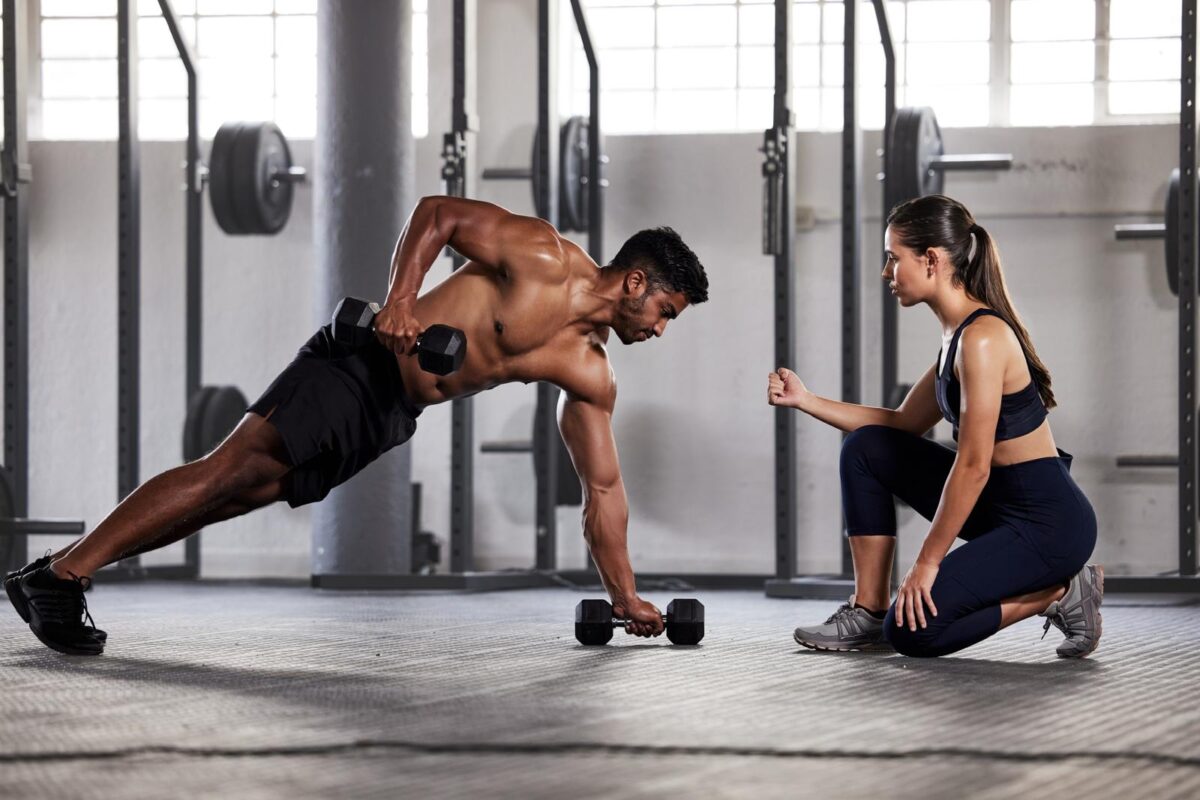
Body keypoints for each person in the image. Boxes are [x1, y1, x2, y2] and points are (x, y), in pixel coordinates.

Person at [5, 196, 709, 656]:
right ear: (637, 284)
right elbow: (437, 216)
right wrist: (400, 299)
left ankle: (58, 576)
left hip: (392, 414)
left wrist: (624, 597)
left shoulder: (589, 372)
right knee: (227, 469)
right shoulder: (541, 255)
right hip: (359, 364)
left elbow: (604, 493)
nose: (661, 330)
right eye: (667, 312)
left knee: (241, 494)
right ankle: (63, 575)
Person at [768, 194, 1101, 659]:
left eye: (892, 258)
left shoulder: (983, 339)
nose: (887, 273)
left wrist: (926, 562)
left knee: (911, 633)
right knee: (866, 448)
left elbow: (974, 465)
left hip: (1046, 525)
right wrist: (805, 399)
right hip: (998, 508)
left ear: (930, 260)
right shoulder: (956, 338)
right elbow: (902, 423)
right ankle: (867, 609)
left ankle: (1058, 593)